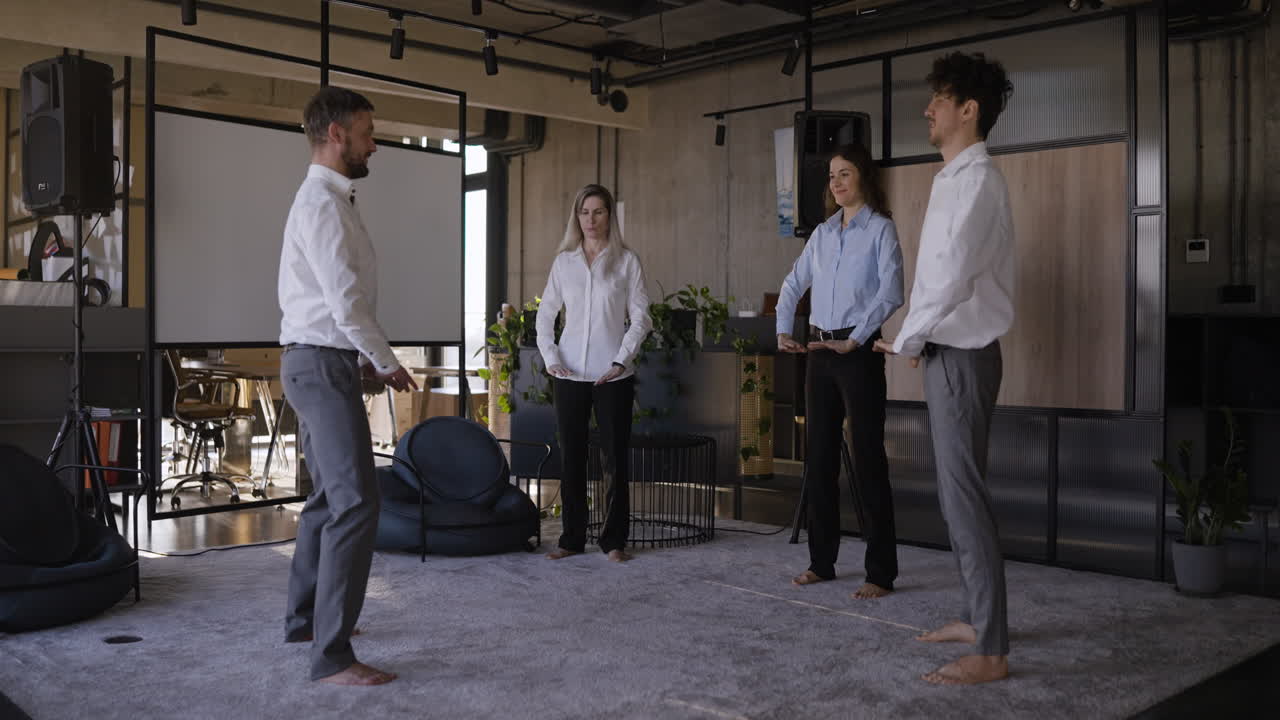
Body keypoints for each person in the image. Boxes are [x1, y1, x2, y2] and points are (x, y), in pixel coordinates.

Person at [873, 51, 1015, 685]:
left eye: (940, 99)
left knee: (964, 497)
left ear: (969, 110)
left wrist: (906, 337)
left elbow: (952, 274)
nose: (927, 109)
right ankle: (975, 616)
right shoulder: (953, 177)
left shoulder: (978, 180)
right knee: (961, 496)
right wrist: (913, 338)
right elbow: (939, 271)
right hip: (946, 351)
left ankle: (990, 648)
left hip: (959, 354)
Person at [278, 86, 417, 686]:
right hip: (319, 364)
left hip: (320, 361)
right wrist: (385, 361)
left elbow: (334, 305)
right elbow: (345, 302)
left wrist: (358, 358)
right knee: (358, 502)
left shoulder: (333, 200)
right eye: (365, 131)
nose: (373, 142)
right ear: (335, 134)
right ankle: (331, 657)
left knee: (331, 499)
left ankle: (306, 621)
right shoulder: (322, 205)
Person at [775, 142, 904, 600]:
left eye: (845, 173)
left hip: (859, 349)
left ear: (863, 177)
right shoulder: (823, 234)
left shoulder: (881, 230)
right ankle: (821, 562)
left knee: (868, 460)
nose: (836, 182)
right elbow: (792, 283)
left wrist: (858, 339)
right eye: (832, 176)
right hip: (820, 349)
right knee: (821, 459)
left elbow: (890, 293)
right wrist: (782, 331)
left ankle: (880, 572)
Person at [536, 184, 652, 563]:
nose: (590, 219)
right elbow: (545, 314)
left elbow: (641, 317)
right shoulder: (564, 262)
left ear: (609, 216)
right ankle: (571, 539)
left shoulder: (626, 261)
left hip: (612, 375)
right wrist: (551, 356)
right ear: (577, 216)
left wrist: (622, 360)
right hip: (568, 373)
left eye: (598, 211)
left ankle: (614, 540)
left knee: (614, 460)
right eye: (584, 212)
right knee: (571, 458)